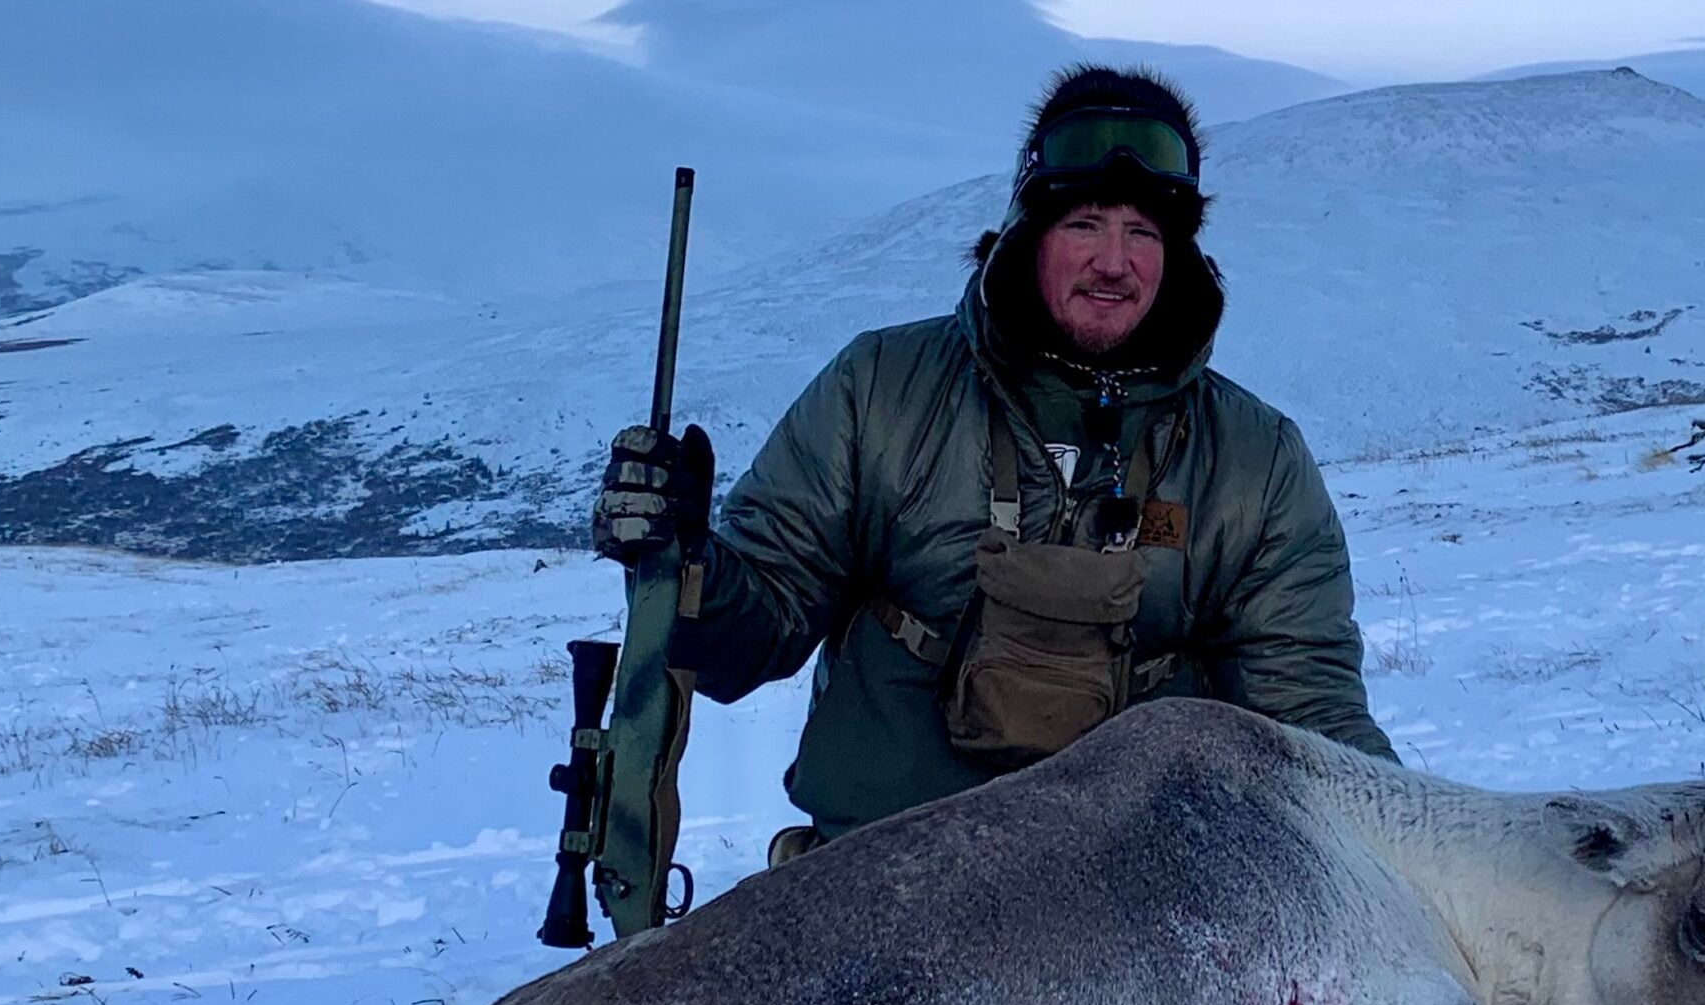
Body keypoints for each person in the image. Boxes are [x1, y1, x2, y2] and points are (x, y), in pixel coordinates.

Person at [593, 65, 1394, 856]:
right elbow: (751, 631)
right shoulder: (880, 392)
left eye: (1143, 232)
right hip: (875, 887)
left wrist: (1427, 852)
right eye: (1085, 224)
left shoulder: (1254, 462)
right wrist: (688, 559)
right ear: (1026, 232)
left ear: (1177, 254)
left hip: (1143, 911)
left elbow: (1312, 720)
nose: (1114, 262)